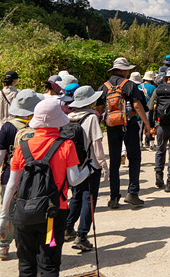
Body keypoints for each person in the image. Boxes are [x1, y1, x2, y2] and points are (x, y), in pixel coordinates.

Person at [0, 98, 89, 277]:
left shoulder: (21, 148)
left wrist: (4, 217)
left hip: (23, 214)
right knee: (49, 265)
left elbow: (11, 185)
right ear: (58, 120)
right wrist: (89, 169)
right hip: (54, 214)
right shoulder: (66, 145)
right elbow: (74, 180)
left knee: (26, 265)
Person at [0, 88, 42, 261]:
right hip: (35, 177)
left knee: (8, 211)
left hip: (10, 176)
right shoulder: (40, 125)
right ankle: (29, 246)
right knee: (31, 212)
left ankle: (3, 246)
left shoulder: (8, 127)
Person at [96, 57, 151, 208]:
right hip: (129, 125)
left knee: (114, 161)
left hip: (112, 126)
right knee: (134, 158)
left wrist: (101, 125)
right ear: (123, 70)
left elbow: (99, 110)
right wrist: (146, 123)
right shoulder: (130, 85)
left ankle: (114, 198)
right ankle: (132, 193)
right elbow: (137, 105)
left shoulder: (103, 87)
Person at [64, 85, 108, 253]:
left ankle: (68, 228)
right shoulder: (91, 118)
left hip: (74, 166)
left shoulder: (68, 118)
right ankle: (82, 236)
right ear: (91, 102)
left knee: (76, 197)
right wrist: (103, 165)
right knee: (89, 199)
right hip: (90, 166)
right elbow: (97, 145)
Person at [138, 71, 158, 150]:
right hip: (150, 109)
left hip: (140, 109)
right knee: (150, 125)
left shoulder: (139, 86)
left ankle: (140, 143)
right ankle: (151, 144)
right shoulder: (153, 87)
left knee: (140, 126)